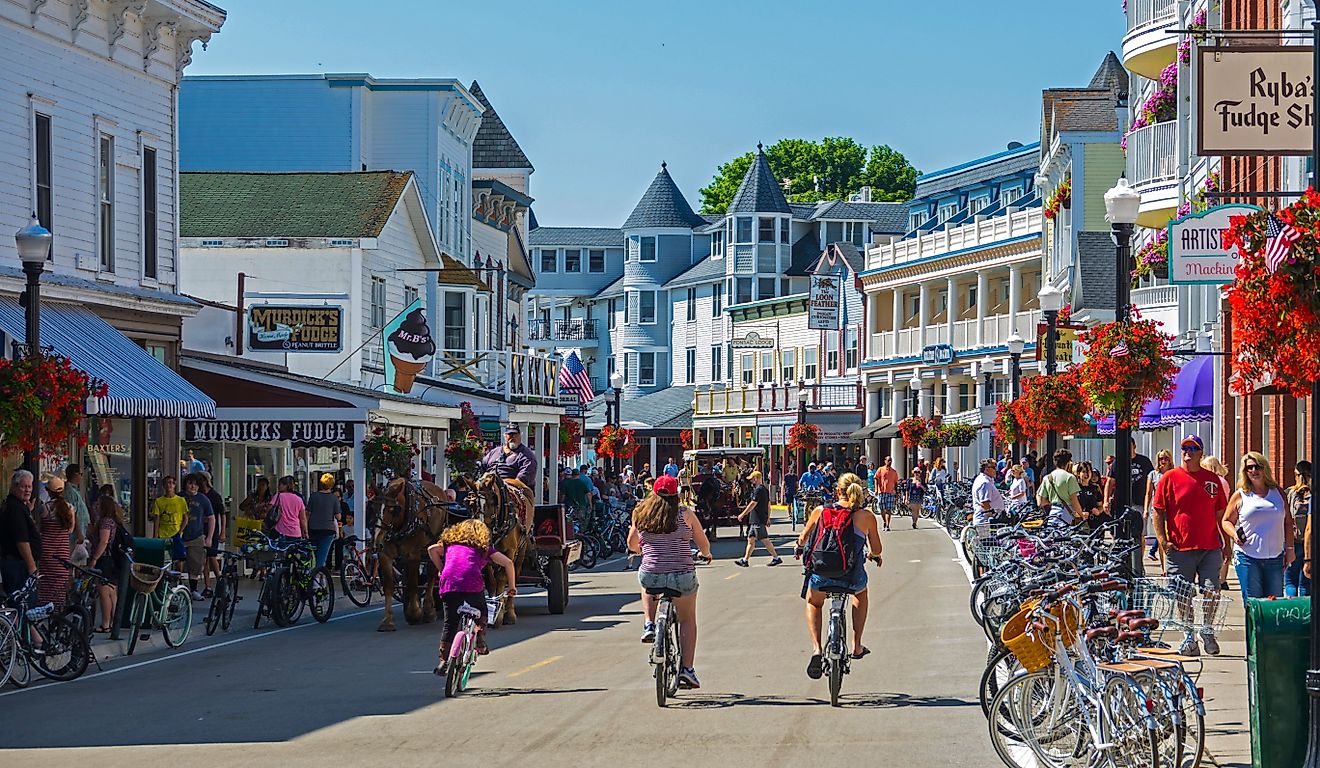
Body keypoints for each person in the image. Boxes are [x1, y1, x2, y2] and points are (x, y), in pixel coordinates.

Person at [628, 474, 713, 690]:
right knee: (687, 619)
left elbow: (632, 544)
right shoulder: (685, 514)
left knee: (646, 580)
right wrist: (706, 554)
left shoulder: (641, 513)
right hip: (682, 574)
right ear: (677, 494)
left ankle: (649, 623)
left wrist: (643, 550)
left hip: (652, 573)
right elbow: (702, 542)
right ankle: (687, 669)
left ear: (653, 492)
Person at [796, 472, 884, 677]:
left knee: (813, 602)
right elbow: (877, 549)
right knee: (861, 594)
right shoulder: (866, 516)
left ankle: (817, 649)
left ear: (837, 491)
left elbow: (803, 538)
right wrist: (872, 555)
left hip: (822, 575)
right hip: (852, 577)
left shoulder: (820, 511)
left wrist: (799, 547)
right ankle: (857, 644)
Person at [1152, 434, 1228, 657]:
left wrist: (1227, 543)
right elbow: (1158, 511)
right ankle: (1188, 636)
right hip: (1179, 548)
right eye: (1185, 448)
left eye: (1193, 448)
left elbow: (1220, 513)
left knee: (1211, 591)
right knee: (1183, 595)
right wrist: (1162, 540)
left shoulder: (1211, 480)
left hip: (1209, 546)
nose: (1188, 452)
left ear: (1200, 453)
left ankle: (1207, 630)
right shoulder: (1170, 478)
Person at [427, 518, 516, 674]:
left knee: (450, 623)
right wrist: (512, 587)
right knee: (482, 612)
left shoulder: (449, 545)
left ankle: (443, 661)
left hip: (449, 583)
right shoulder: (483, 548)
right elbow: (508, 563)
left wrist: (441, 569)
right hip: (472, 583)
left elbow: (431, 550)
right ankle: (480, 640)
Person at [1222, 452, 1291, 602]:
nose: (1254, 470)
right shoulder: (1241, 495)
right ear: (1245, 472)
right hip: (1247, 556)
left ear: (1264, 468)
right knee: (1253, 604)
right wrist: (1234, 534)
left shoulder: (1278, 492)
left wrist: (1290, 549)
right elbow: (1226, 521)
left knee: (1274, 604)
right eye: (1249, 468)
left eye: (1257, 466)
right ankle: (1253, 627)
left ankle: (1269, 627)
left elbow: (1287, 523)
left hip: (1275, 557)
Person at [1104, 437, 1157, 567]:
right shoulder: (1118, 463)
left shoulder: (1144, 461)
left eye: (1130, 446)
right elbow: (1109, 482)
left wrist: (1153, 501)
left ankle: (1138, 564)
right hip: (1121, 502)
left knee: (1140, 534)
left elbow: (1152, 481)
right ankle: (1122, 563)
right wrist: (1106, 500)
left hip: (1139, 502)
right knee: (1119, 533)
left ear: (1134, 446)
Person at [479, 425, 539, 525]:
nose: (512, 437)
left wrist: (502, 485)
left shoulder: (527, 455)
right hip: (490, 487)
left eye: (515, 434)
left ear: (520, 435)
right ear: (504, 436)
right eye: (509, 434)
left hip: (512, 490)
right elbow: (483, 467)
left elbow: (524, 478)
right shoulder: (494, 452)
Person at [87, 489, 126, 632]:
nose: (96, 506)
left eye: (98, 504)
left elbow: (103, 542)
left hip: (105, 559)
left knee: (104, 592)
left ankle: (105, 623)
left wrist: (94, 558)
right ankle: (113, 622)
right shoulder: (112, 521)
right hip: (112, 559)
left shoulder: (105, 522)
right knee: (111, 591)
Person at [0, 470, 38, 603]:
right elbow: (21, 541)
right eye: (23, 486)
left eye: (30, 486)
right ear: (15, 487)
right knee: (22, 605)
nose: (27, 490)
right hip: (17, 565)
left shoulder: (18, 506)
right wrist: (32, 566)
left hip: (16, 564)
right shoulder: (15, 508)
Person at [37, 477, 74, 607]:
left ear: (48, 491)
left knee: (45, 581)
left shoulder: (45, 508)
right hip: (62, 551)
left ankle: (44, 610)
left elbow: (40, 528)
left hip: (46, 550)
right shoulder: (69, 508)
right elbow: (70, 530)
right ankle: (58, 611)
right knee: (60, 582)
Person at [1202, 455, 1235, 591]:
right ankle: (1223, 579)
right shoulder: (1224, 481)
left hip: (1213, 518)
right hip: (1224, 516)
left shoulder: (1212, 482)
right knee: (1224, 547)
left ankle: (1215, 577)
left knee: (1215, 547)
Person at [734, 471, 782, 567]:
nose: (751, 481)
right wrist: (768, 518)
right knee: (750, 540)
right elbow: (768, 505)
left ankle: (776, 558)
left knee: (765, 540)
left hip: (758, 519)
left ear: (756, 478)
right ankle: (745, 560)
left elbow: (753, 504)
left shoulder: (758, 490)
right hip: (755, 519)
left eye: (752, 479)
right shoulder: (764, 489)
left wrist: (742, 514)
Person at [180, 474, 215, 600]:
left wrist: (209, 537)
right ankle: (177, 587)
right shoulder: (179, 497)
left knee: (195, 564)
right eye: (190, 483)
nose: (192, 486)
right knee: (177, 563)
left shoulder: (203, 499)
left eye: (195, 484)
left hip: (196, 536)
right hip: (179, 536)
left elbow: (211, 517)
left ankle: (194, 589)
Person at [1036, 448, 1085, 527]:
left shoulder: (1048, 478)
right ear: (1068, 463)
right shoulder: (1070, 477)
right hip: (1066, 515)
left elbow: (1041, 502)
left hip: (1053, 514)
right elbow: (1074, 501)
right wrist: (1081, 515)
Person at [1286, 460, 1311, 597]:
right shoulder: (1313, 494)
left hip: (1292, 542)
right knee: (1305, 582)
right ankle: (1305, 613)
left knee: (1290, 581)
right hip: (1309, 544)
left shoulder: (1289, 493)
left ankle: (1291, 612)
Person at [199, 471, 227, 594]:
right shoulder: (198, 495)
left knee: (212, 556)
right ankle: (208, 586)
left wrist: (222, 532)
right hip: (200, 529)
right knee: (204, 558)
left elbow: (222, 513)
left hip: (212, 529)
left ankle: (220, 580)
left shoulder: (214, 495)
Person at [151, 476, 188, 566]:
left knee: (179, 559)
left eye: (172, 483)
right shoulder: (159, 501)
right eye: (167, 483)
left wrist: (180, 531)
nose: (169, 485)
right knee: (165, 560)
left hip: (176, 532)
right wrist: (155, 536)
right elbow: (157, 519)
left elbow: (185, 518)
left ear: (174, 485)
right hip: (163, 534)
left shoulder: (181, 500)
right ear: (164, 486)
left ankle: (178, 577)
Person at [306, 473, 341, 569]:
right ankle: (317, 578)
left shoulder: (314, 496)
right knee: (322, 556)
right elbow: (338, 517)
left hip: (313, 529)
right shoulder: (334, 498)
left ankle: (318, 575)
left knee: (314, 554)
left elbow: (307, 513)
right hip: (327, 530)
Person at [1145, 450, 1175, 560]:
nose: (1163, 461)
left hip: (1171, 509)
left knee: (1168, 536)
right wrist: (1146, 509)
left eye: (1166, 458)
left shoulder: (1174, 473)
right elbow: (1148, 493)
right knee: (1161, 537)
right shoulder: (1153, 474)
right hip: (1157, 509)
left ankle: (1169, 562)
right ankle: (1164, 569)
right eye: (1161, 458)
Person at [272, 475, 308, 543]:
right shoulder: (299, 499)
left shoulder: (278, 496)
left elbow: (269, 509)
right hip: (296, 533)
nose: (278, 486)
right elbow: (303, 518)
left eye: (280, 484)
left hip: (280, 531)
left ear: (285, 486)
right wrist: (305, 532)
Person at [971, 459, 1006, 526]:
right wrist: (992, 517)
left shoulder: (985, 480)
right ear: (986, 469)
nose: (996, 470)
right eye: (993, 467)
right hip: (985, 522)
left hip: (986, 520)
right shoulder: (985, 483)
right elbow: (985, 503)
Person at [63, 463, 88, 552]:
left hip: (79, 532)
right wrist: (79, 533)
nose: (81, 477)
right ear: (76, 474)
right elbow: (73, 513)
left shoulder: (75, 490)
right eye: (81, 474)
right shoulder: (70, 492)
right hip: (74, 536)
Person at [1076, 462, 1104, 530]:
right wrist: (1079, 513)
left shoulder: (1095, 488)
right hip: (1079, 524)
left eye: (1089, 471)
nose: (1087, 474)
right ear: (1078, 473)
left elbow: (1100, 505)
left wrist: (1098, 511)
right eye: (1084, 472)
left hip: (1094, 523)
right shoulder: (1074, 488)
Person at [874, 456, 899, 532]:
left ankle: (887, 525)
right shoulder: (880, 469)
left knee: (888, 509)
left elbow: (896, 482)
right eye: (888, 460)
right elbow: (876, 478)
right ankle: (884, 521)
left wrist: (896, 492)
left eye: (891, 460)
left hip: (890, 492)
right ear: (885, 461)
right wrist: (876, 489)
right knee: (882, 508)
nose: (889, 462)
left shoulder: (894, 471)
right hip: (882, 492)